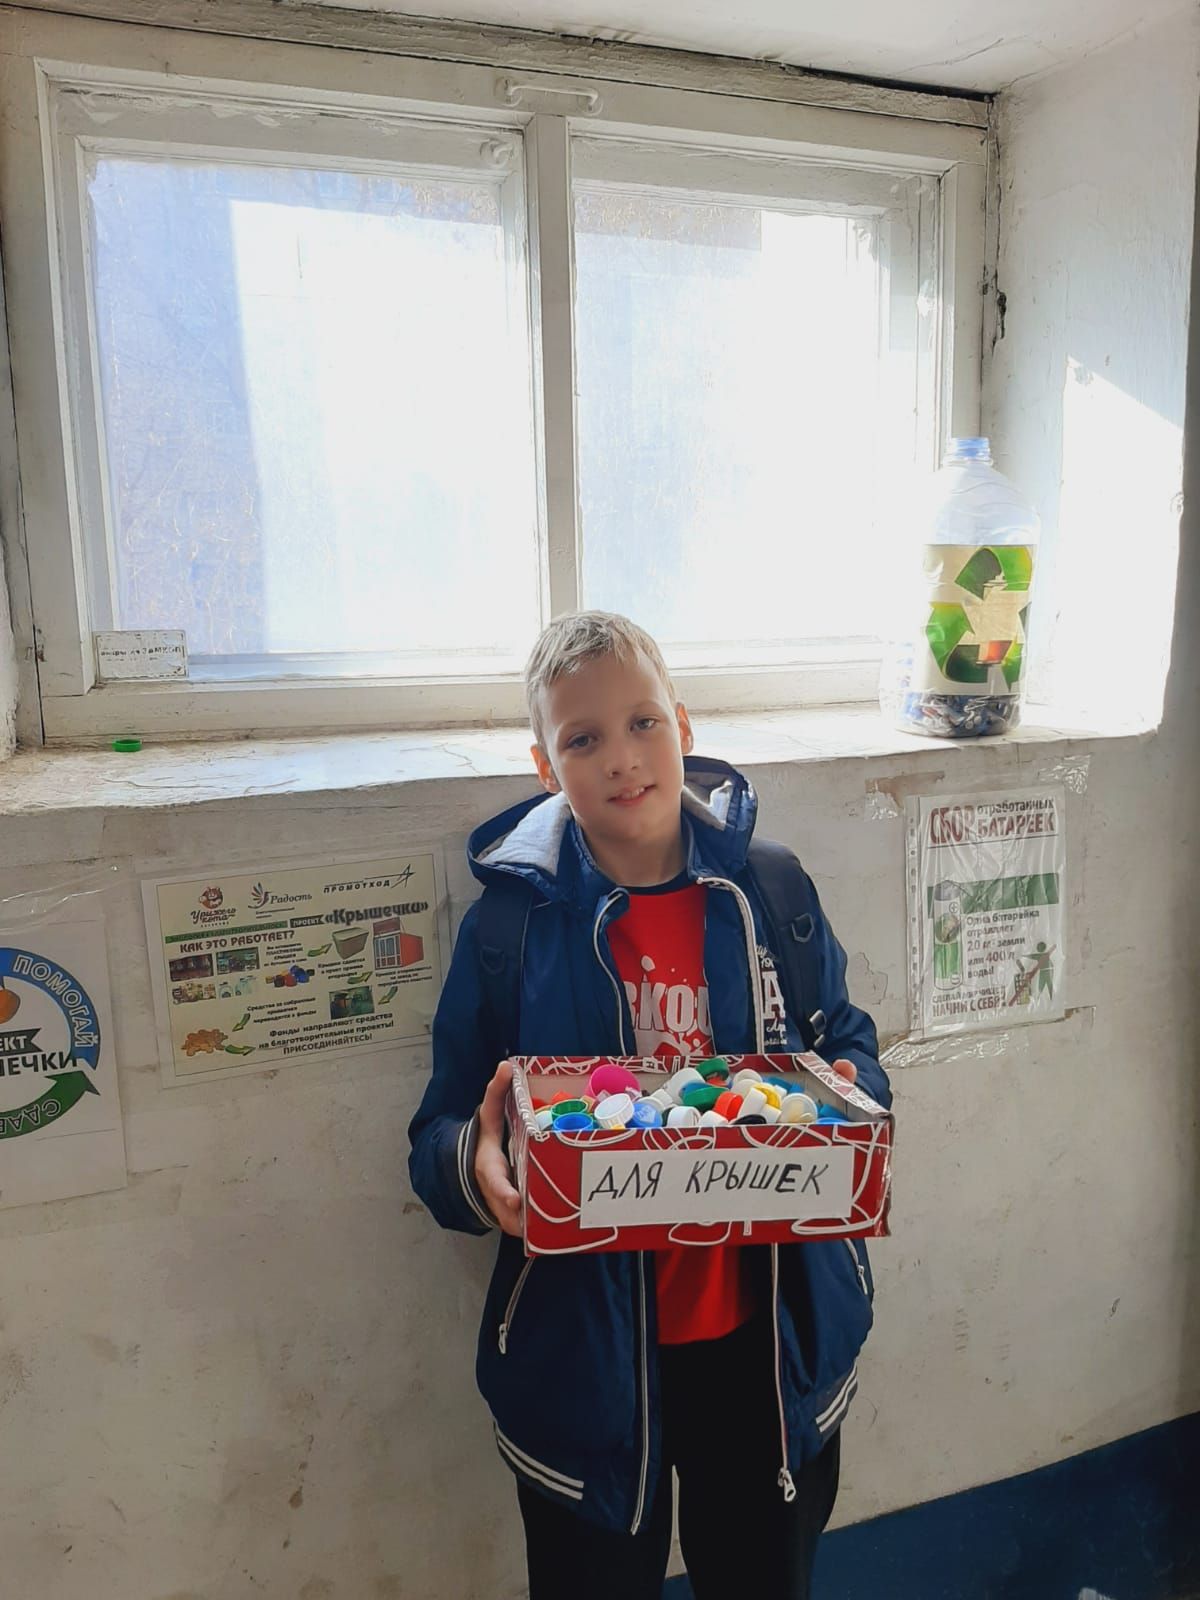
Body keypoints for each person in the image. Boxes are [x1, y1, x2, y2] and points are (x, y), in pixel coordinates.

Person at [408, 611, 891, 1600]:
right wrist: (480, 1166)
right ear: (546, 766)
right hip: (585, 1366)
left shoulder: (771, 891)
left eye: (642, 724)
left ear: (684, 724)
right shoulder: (511, 929)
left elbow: (847, 1042)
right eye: (583, 738)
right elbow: (441, 1132)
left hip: (766, 1348)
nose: (622, 759)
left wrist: (846, 1109)